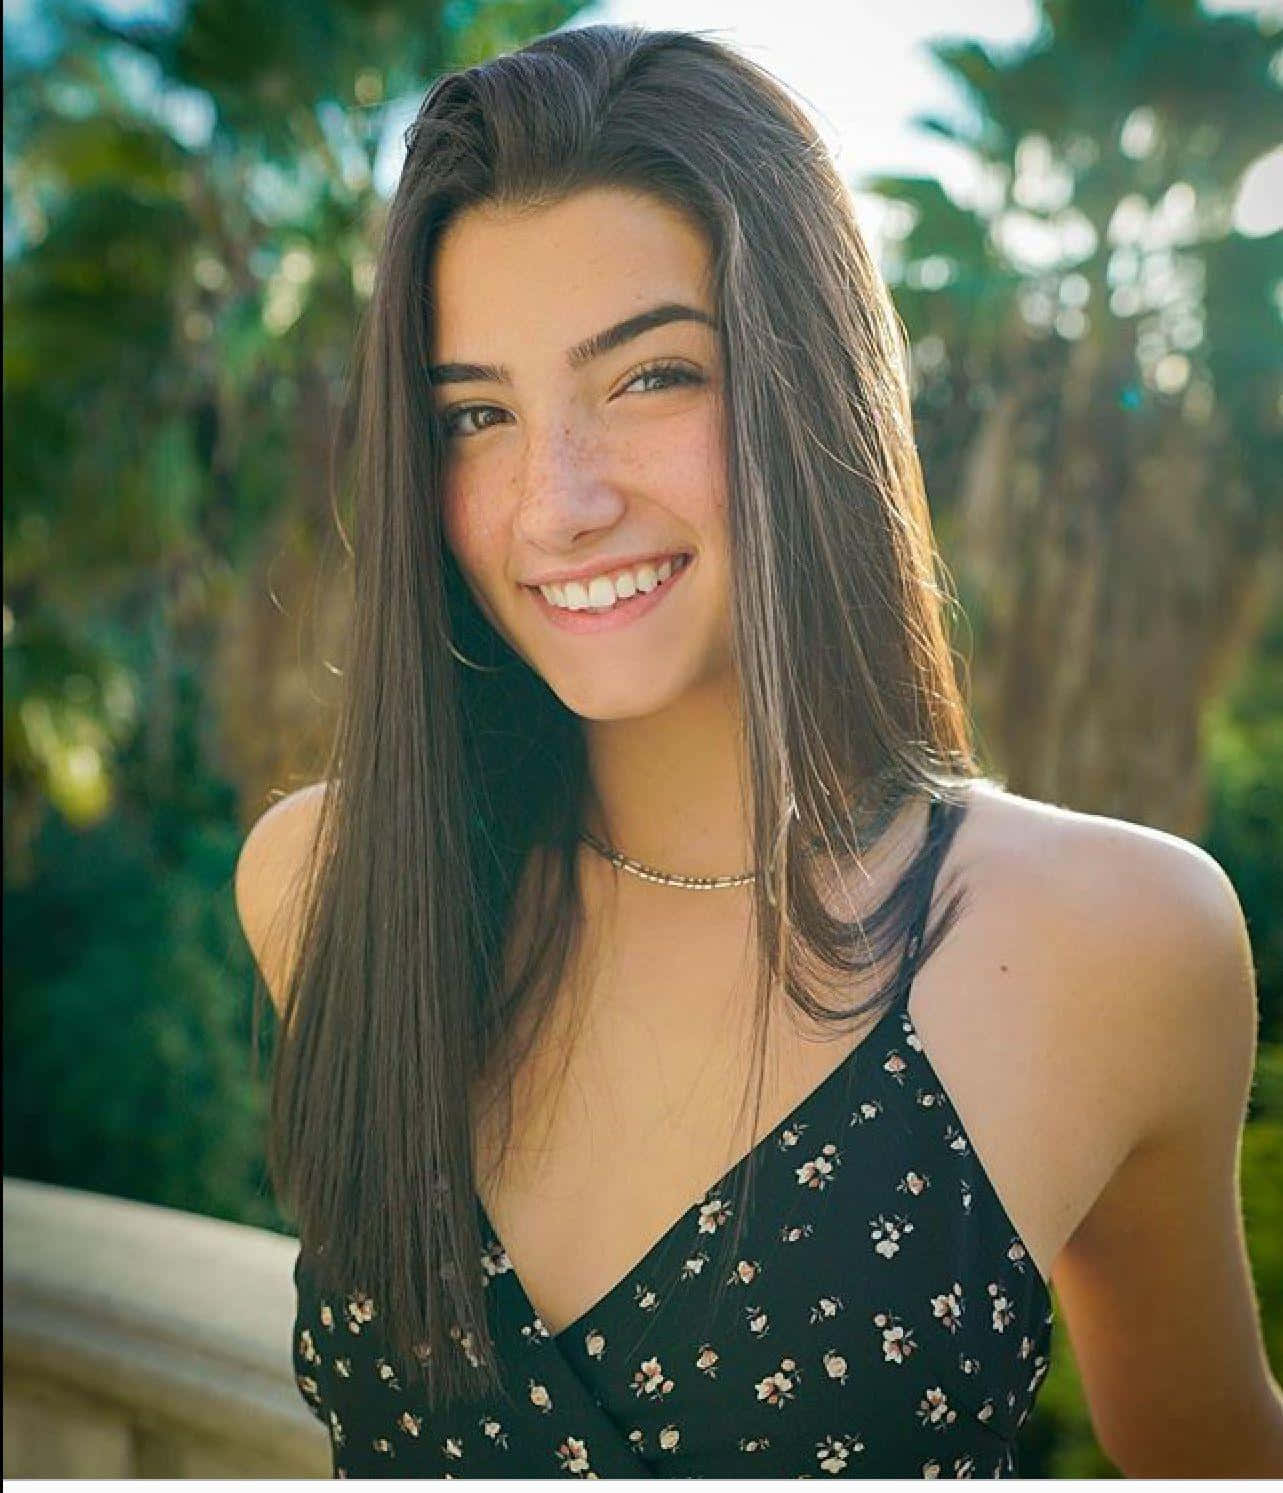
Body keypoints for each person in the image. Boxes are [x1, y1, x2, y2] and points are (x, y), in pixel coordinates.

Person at [234, 23, 1282, 1480]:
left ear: (812, 382)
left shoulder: (1109, 939)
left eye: (650, 378)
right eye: (476, 414)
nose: (557, 503)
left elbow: (1215, 1453)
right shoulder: (328, 882)